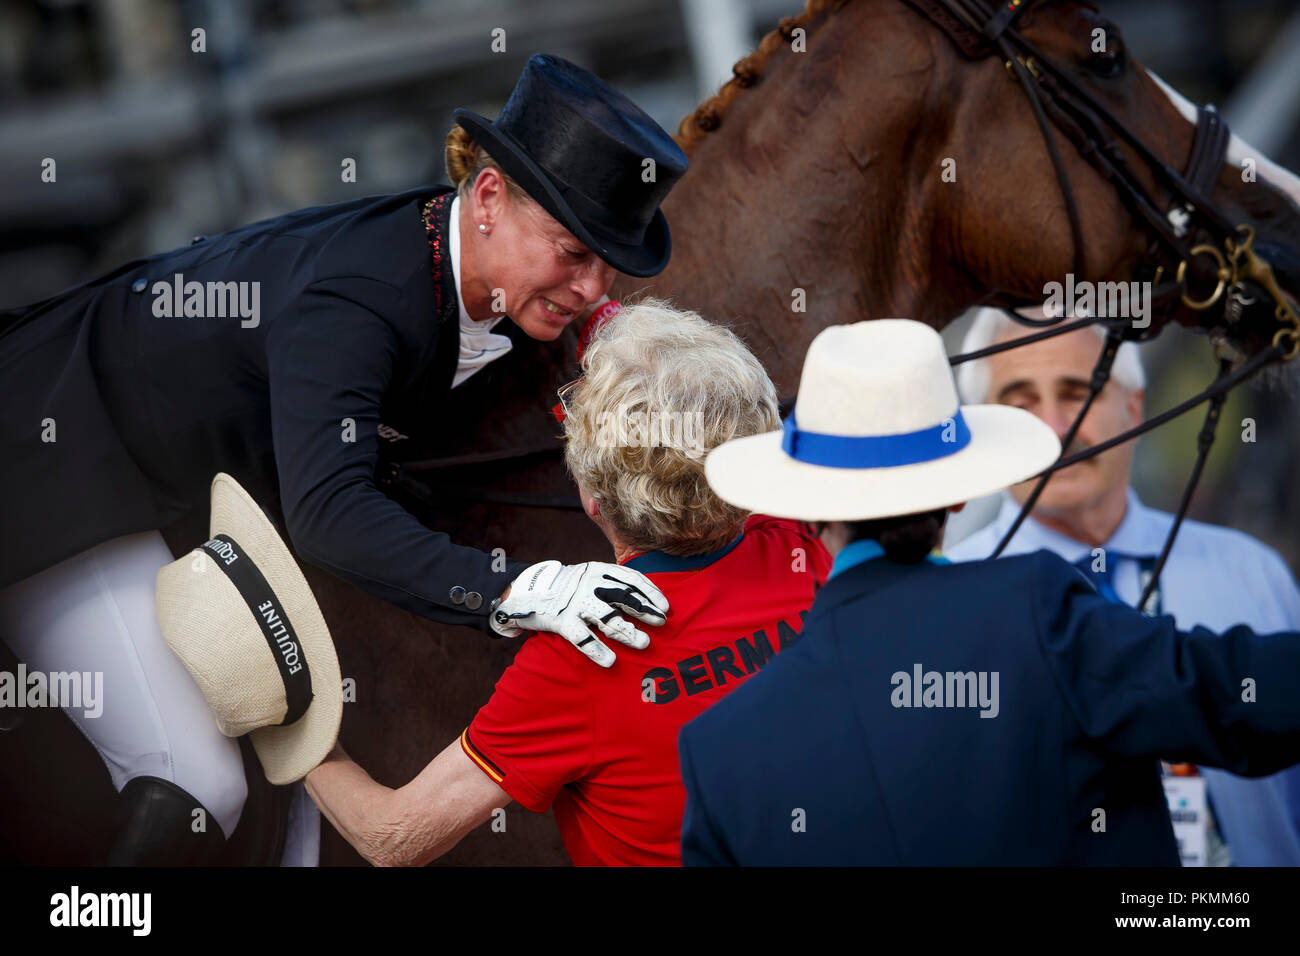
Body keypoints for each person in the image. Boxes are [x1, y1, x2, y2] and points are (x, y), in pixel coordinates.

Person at [0, 54, 685, 865]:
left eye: (608, 264)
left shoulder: (489, 280)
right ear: (492, 198)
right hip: (57, 456)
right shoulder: (358, 299)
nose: (589, 284)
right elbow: (331, 517)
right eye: (573, 252)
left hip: (182, 478)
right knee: (192, 778)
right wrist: (513, 590)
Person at [684, 318, 1300, 865]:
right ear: (958, 493)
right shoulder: (1036, 611)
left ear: (809, 513)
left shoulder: (719, 752)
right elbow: (1241, 698)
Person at [302, 301, 831, 866]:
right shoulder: (804, 545)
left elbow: (393, 839)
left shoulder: (577, 660)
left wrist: (306, 743)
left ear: (591, 497)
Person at [946, 306, 1300, 866]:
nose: (1057, 427)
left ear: (1133, 408)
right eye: (1020, 401)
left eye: (1077, 390)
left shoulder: (1254, 575)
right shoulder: (948, 602)